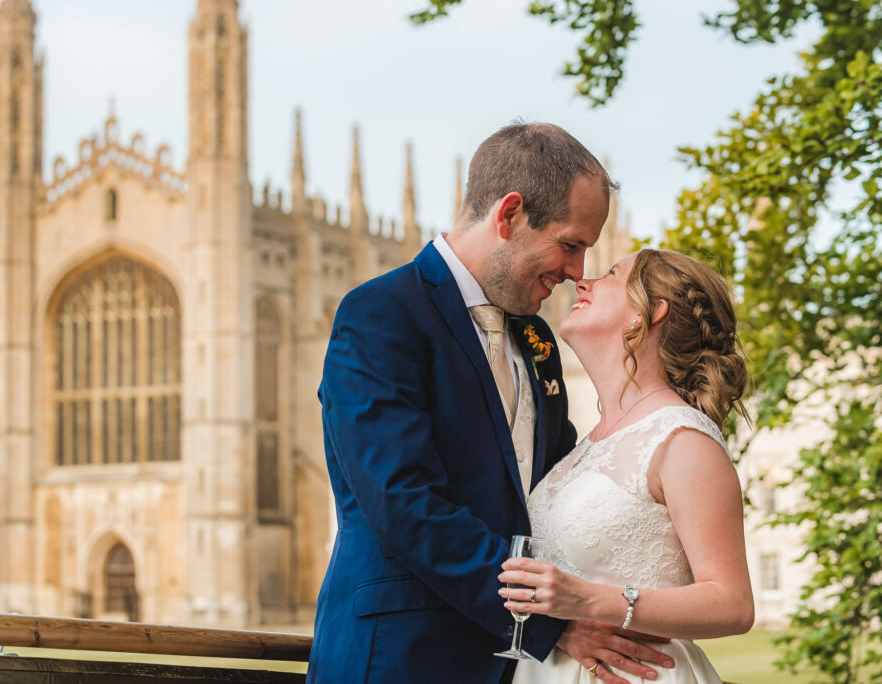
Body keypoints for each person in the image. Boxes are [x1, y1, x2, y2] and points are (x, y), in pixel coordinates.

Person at [307, 124, 676, 683]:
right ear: (508, 216)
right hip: (402, 657)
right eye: (570, 245)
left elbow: (556, 489)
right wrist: (549, 624)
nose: (577, 272)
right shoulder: (381, 315)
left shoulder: (537, 340)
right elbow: (404, 503)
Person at [498, 249, 755, 683]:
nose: (582, 283)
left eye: (610, 275)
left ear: (649, 313)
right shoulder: (584, 444)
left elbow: (733, 604)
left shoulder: (682, 438)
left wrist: (586, 600)